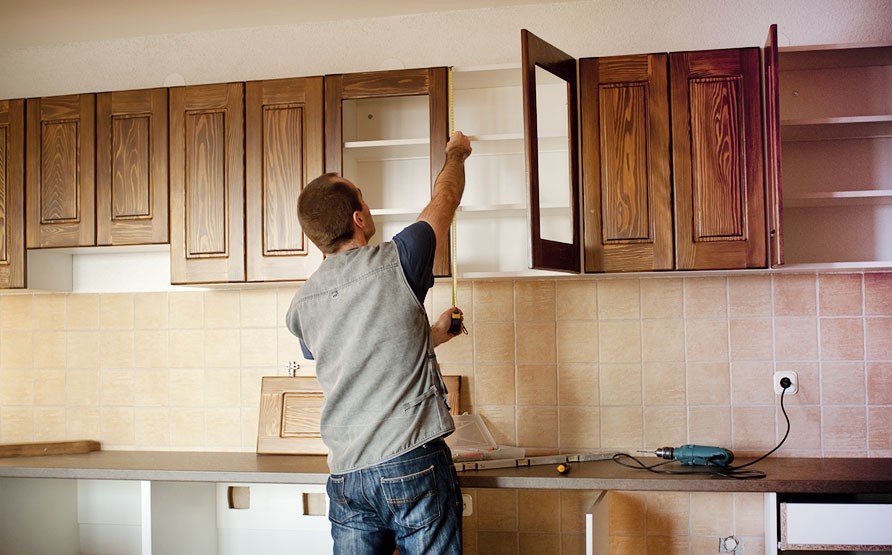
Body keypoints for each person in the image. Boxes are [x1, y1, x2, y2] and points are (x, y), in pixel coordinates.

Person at [285, 131, 473, 555]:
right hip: (411, 464)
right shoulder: (400, 259)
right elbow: (444, 200)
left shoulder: (301, 306)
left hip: (348, 478)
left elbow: (359, 352)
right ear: (358, 219)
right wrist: (456, 154)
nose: (368, 207)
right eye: (363, 200)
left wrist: (434, 336)